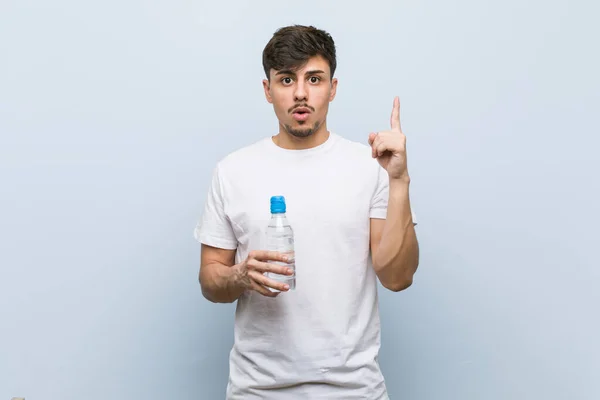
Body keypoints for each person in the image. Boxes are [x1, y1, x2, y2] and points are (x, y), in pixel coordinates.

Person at [194, 24, 419, 400]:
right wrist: (238, 276)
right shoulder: (232, 171)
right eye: (286, 80)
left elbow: (397, 278)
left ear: (333, 87)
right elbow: (210, 281)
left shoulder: (369, 167)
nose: (300, 93)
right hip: (258, 391)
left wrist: (400, 181)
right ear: (268, 90)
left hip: (354, 391)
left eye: (314, 79)